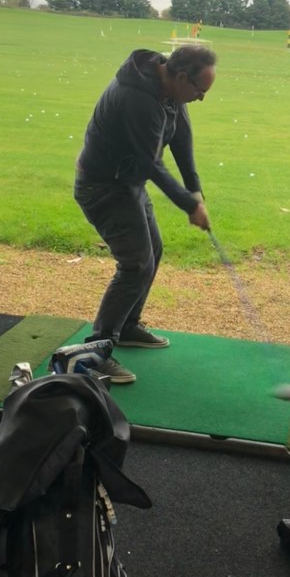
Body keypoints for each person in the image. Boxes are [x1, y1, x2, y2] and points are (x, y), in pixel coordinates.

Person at [74, 44, 216, 384]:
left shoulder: (170, 89)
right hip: (102, 187)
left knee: (154, 250)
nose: (200, 98)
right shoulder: (137, 99)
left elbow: (181, 136)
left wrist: (194, 189)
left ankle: (127, 326)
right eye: (200, 91)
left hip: (127, 183)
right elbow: (150, 164)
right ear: (182, 77)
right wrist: (189, 205)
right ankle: (95, 354)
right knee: (136, 264)